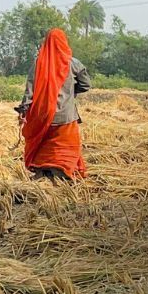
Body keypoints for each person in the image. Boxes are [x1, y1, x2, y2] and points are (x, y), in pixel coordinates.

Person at [15, 28, 91, 181]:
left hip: (44, 116)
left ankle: (45, 172)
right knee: (66, 147)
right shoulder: (72, 63)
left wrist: (24, 109)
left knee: (45, 145)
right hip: (67, 117)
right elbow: (86, 84)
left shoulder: (39, 62)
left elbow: (30, 88)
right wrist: (70, 91)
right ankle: (62, 172)